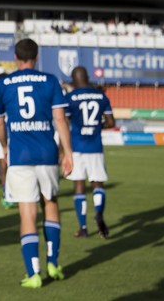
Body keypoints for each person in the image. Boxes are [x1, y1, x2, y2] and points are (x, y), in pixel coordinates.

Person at [0, 38, 73, 289]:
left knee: (27, 212)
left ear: (15, 57)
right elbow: (60, 119)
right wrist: (68, 152)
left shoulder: (3, 83)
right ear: (36, 57)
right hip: (47, 152)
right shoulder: (50, 81)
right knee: (50, 202)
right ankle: (53, 262)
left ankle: (34, 272)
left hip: (20, 155)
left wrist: (4, 145)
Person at [66, 66, 116, 239]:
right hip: (95, 146)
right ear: (87, 77)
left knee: (79, 187)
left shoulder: (70, 98)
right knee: (97, 184)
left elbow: (64, 124)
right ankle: (99, 213)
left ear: (73, 80)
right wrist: (97, 126)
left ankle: (83, 228)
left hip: (77, 146)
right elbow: (111, 122)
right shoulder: (101, 96)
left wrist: (62, 151)